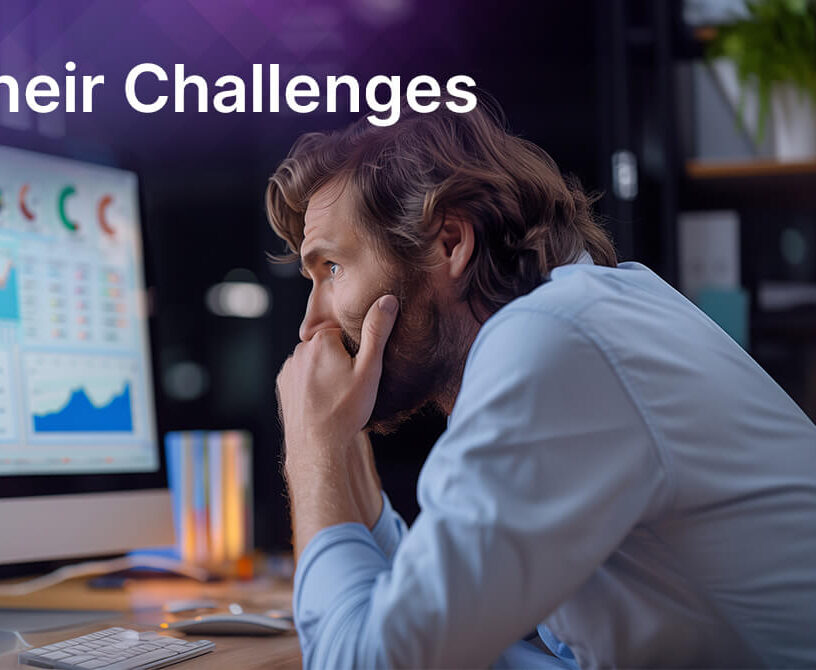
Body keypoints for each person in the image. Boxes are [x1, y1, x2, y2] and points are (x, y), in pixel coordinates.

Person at [267, 102, 816, 668]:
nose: (312, 324)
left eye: (332, 268)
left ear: (450, 241)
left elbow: (363, 662)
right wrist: (344, 455)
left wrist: (313, 452)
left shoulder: (556, 341)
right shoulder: (591, 314)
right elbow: (454, 634)